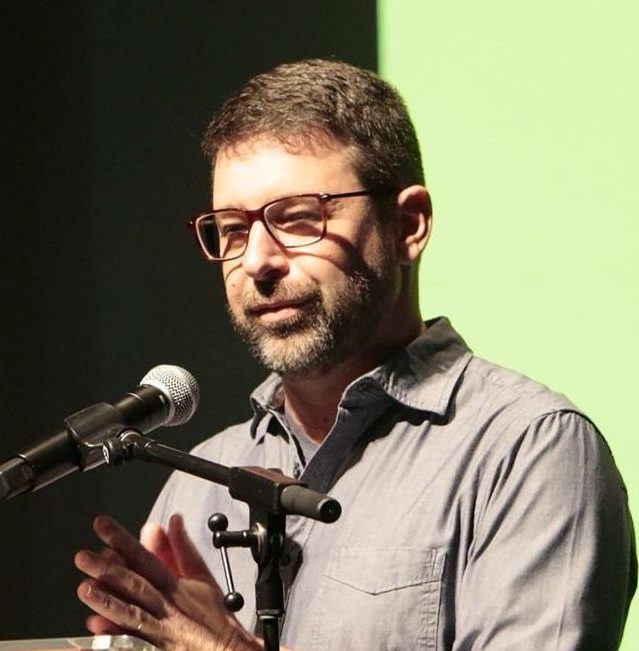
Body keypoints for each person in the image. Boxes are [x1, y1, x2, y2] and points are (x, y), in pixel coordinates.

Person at [74, 59, 636, 650]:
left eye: (298, 219)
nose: (257, 261)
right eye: (233, 229)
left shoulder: (528, 450)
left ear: (408, 225)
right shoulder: (200, 482)